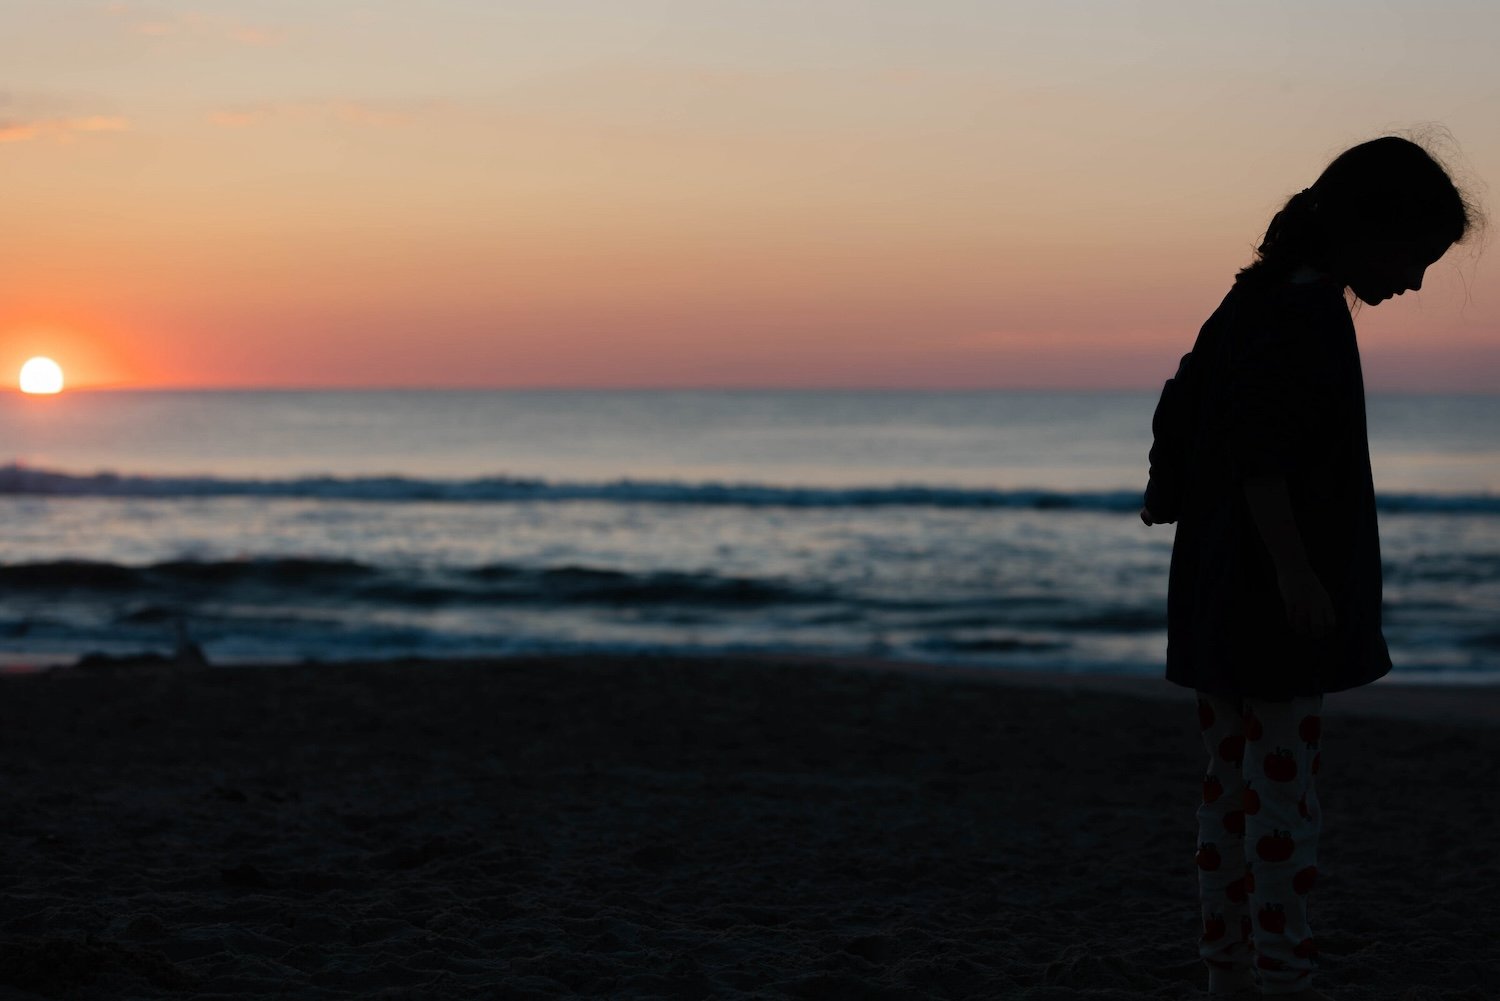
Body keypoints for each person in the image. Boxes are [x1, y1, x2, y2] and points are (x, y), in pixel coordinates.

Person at [1139, 135, 1478, 999]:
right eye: (1416, 258)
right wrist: (1296, 572)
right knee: (1285, 795)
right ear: (1368, 230)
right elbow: (1260, 446)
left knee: (1227, 784)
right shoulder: (1308, 310)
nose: (1415, 281)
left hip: (1220, 584)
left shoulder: (1254, 296)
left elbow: (1185, 393)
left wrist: (1169, 489)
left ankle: (1229, 967)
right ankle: (1281, 972)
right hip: (1274, 600)